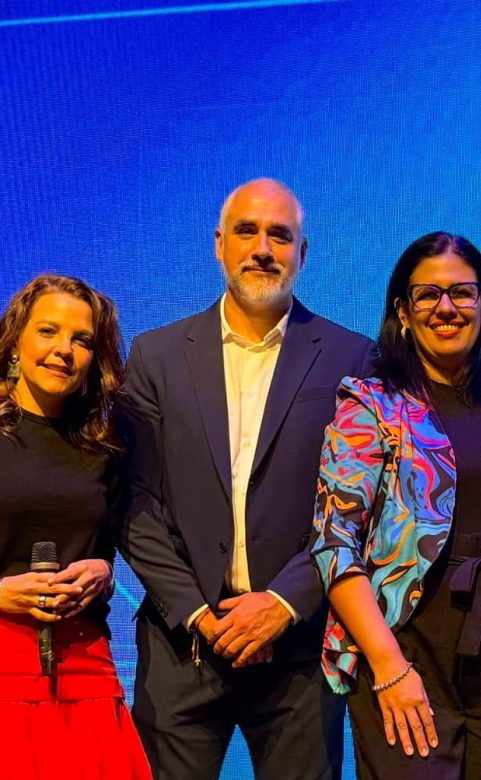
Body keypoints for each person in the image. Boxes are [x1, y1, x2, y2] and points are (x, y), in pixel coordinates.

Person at [119, 178, 375, 779]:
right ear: (219, 245)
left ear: (303, 253)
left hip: (300, 652)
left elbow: (360, 507)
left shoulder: (352, 357)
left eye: (280, 236)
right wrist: (200, 614)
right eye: (247, 231)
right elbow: (135, 503)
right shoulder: (155, 355)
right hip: (181, 646)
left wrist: (284, 603)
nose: (263, 248)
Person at [310, 231, 481, 779]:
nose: (446, 308)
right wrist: (389, 666)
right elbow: (334, 544)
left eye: (462, 293)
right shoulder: (370, 404)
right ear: (403, 312)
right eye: (427, 295)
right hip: (408, 651)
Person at [0, 274, 150, 779]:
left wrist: (102, 572)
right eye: (48, 331)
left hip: (84, 665)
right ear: (15, 341)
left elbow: (103, 546)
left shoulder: (104, 448)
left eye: (81, 339)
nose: (63, 349)